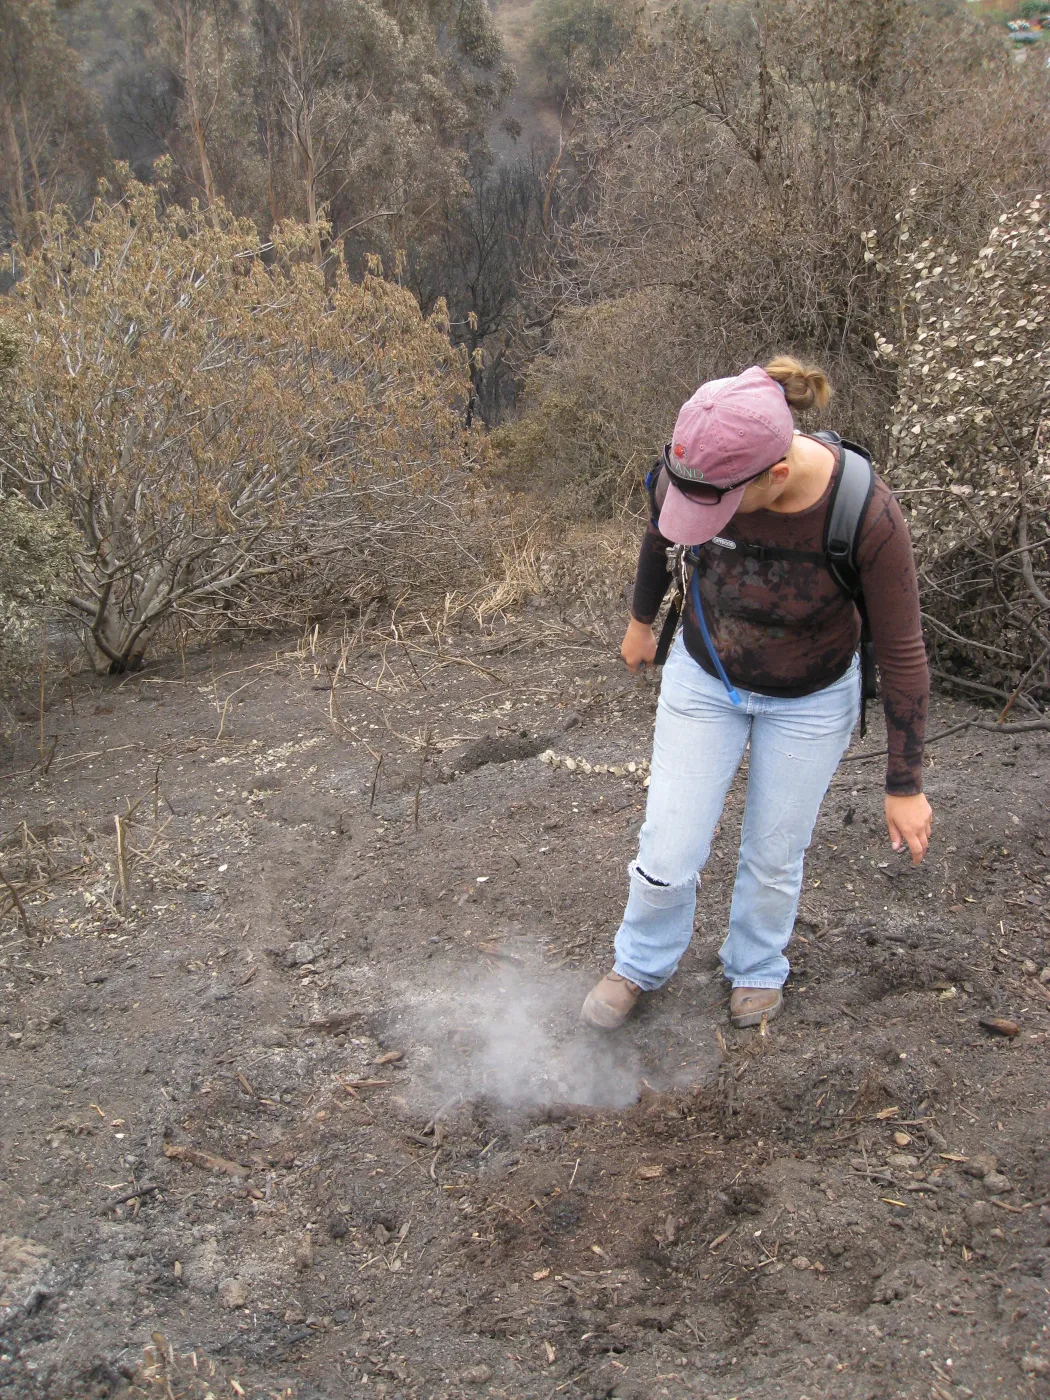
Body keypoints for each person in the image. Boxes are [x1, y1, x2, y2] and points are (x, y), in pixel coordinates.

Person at [581, 357, 932, 1032]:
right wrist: (638, 622)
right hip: (706, 678)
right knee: (669, 847)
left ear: (775, 476)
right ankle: (641, 961)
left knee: (775, 850)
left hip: (812, 695)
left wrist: (905, 781)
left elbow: (903, 648)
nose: (696, 516)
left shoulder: (865, 513)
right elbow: (660, 533)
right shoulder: (695, 467)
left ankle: (755, 964)